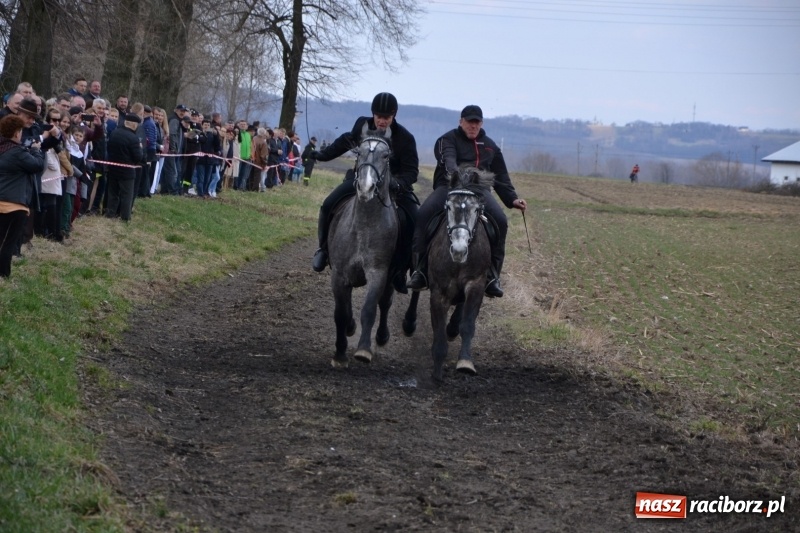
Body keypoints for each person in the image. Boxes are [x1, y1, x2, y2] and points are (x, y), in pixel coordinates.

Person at [407, 105, 527, 298]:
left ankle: (493, 276)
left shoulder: (490, 146)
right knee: (423, 215)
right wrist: (458, 176)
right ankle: (419, 270)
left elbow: (501, 177)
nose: (473, 126)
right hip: (449, 187)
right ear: (461, 121)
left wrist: (512, 199)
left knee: (501, 221)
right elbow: (449, 161)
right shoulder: (447, 140)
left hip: (479, 191)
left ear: (481, 123)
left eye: (476, 122)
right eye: (469, 122)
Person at [309, 92, 419, 293]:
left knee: (414, 219)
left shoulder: (405, 138)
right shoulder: (362, 125)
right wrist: (322, 155)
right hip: (361, 179)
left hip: (392, 187)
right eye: (379, 116)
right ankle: (323, 250)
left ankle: (402, 268)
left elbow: (412, 171)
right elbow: (345, 142)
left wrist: (397, 184)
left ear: (394, 115)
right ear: (373, 114)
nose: (382, 121)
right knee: (327, 205)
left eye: (386, 117)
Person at [0, 114, 45, 277]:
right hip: (14, 205)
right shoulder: (17, 152)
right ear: (16, 132)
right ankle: (3, 274)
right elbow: (37, 165)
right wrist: (36, 150)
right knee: (8, 242)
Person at [105, 113, 143, 221]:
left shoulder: (114, 133)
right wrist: (140, 148)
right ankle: (125, 217)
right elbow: (138, 157)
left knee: (113, 193)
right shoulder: (133, 138)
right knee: (127, 195)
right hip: (127, 171)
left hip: (113, 168)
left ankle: (110, 214)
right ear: (134, 125)